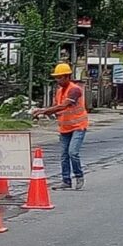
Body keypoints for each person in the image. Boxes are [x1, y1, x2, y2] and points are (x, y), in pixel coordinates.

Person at [33, 62, 88, 191]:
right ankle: (66, 181)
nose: (58, 80)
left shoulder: (75, 90)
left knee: (72, 152)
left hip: (78, 125)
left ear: (67, 76)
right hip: (65, 127)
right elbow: (57, 109)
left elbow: (64, 106)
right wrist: (44, 113)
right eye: (56, 77)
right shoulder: (59, 92)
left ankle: (79, 176)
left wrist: (43, 111)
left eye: (60, 77)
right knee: (64, 155)